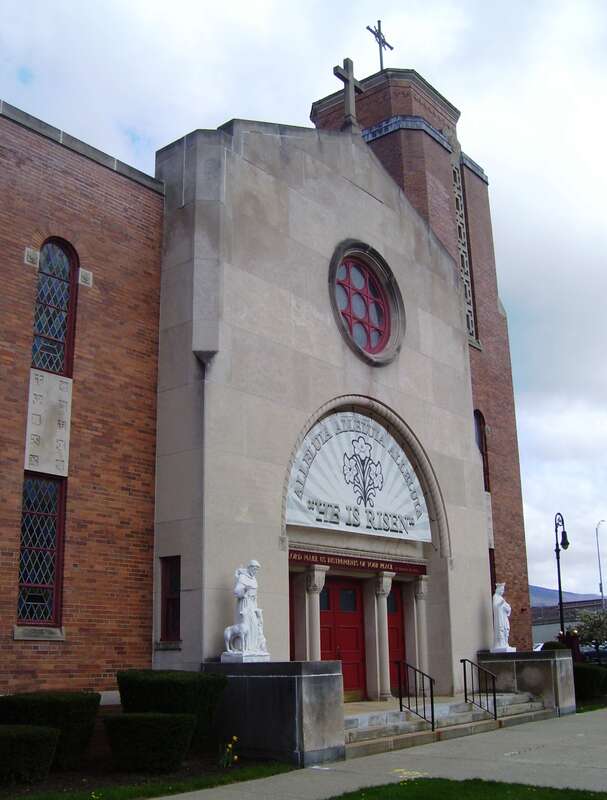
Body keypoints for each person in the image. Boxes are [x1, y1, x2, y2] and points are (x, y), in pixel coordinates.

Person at [492, 582, 511, 650]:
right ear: (498, 589)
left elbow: (507, 606)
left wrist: (508, 608)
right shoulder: (495, 597)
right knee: (501, 629)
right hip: (499, 617)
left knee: (506, 628)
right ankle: (500, 643)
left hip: (504, 616)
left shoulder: (501, 597)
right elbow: (495, 606)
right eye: (502, 590)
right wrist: (501, 603)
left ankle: (505, 643)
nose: (502, 591)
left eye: (503, 590)